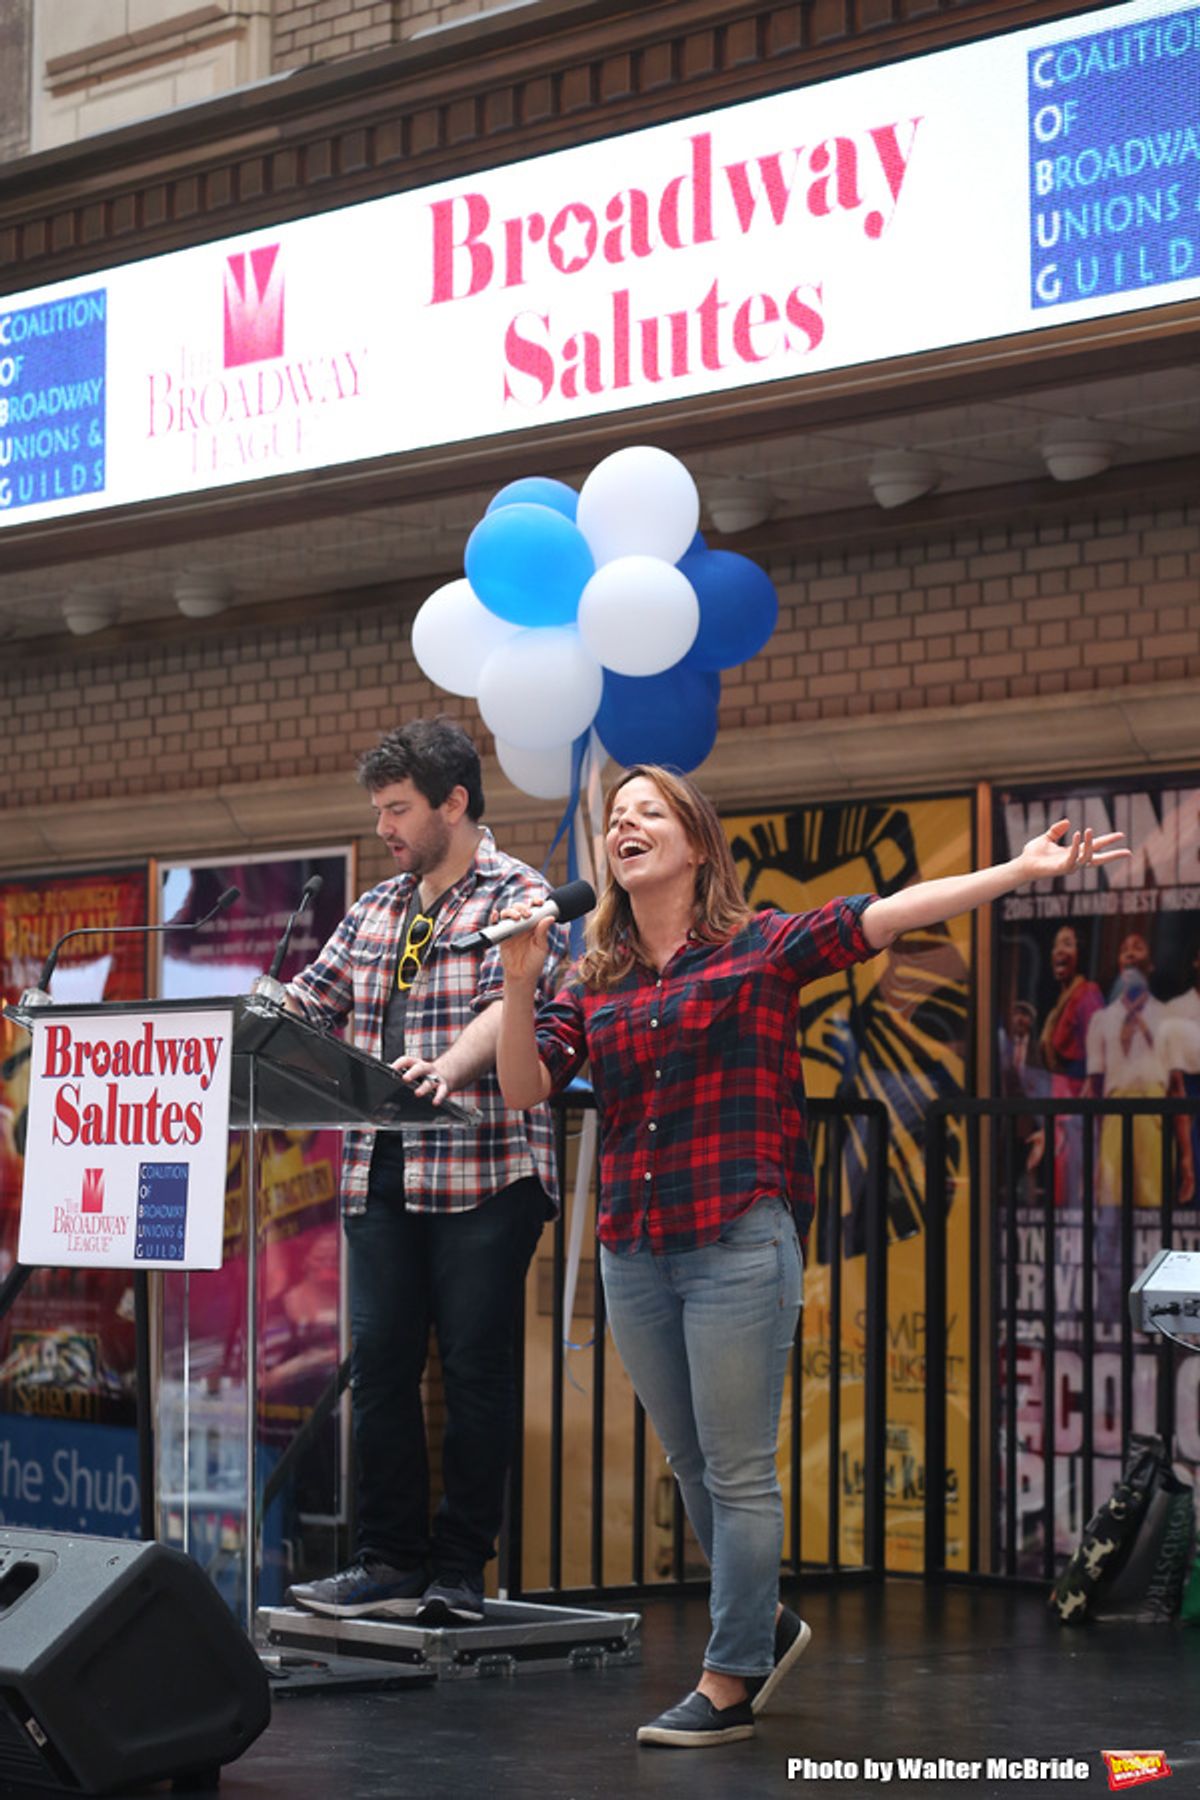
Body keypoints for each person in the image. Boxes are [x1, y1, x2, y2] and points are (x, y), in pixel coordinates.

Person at [493, 764, 1127, 1749]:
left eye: (647, 812)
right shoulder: (596, 976)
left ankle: (731, 1676)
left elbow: (888, 912)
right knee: (692, 1461)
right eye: (615, 817)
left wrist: (1017, 868)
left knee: (739, 1470)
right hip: (634, 1247)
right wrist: (522, 974)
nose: (625, 825)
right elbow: (527, 1088)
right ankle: (767, 1622)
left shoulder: (762, 946)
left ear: (695, 842)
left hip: (739, 1240)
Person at [283, 719, 562, 1626]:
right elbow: (309, 1000)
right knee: (383, 1367)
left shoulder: (517, 891)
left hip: (484, 1171)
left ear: (454, 803)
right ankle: (389, 1560)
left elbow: (503, 1008)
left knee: (478, 1374)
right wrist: (249, 1013)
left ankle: (458, 1570)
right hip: (379, 1174)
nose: (385, 828)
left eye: (398, 809)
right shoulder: (374, 907)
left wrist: (449, 1066)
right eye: (378, 810)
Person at [1086, 932, 1170, 1210]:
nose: (1131, 953)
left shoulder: (1166, 1015)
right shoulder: (1101, 1019)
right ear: (1119, 964)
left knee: (1153, 1202)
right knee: (1112, 1203)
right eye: (1124, 950)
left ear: (1151, 965)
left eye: (1138, 948)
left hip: (1154, 1112)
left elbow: (1176, 1082)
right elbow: (1093, 1086)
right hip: (1115, 1114)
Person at [1037, 924, 1103, 1208]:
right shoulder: (1060, 1002)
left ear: (1081, 953)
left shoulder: (1087, 994)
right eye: (1055, 945)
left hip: (1077, 1113)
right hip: (1060, 1110)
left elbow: (1098, 1059)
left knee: (1075, 1191)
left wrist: (1081, 1119)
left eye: (1067, 944)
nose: (1059, 951)